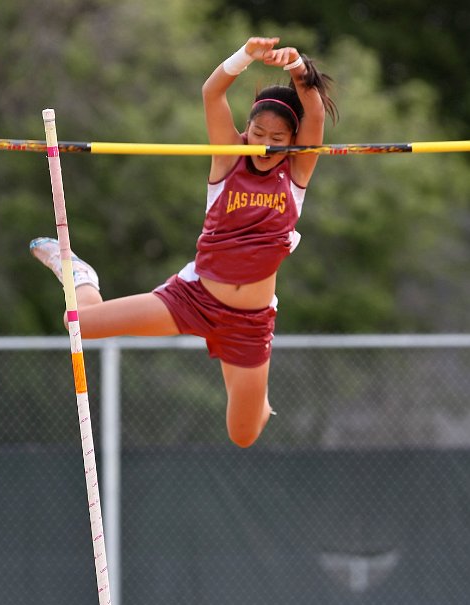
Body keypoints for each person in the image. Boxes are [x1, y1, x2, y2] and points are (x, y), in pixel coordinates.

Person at [30, 36, 337, 448]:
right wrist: (246, 55)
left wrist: (298, 65)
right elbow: (212, 91)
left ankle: (255, 396)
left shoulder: (297, 174)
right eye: (256, 131)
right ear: (245, 129)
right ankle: (82, 275)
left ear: (293, 143)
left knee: (243, 435)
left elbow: (314, 110)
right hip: (193, 298)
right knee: (81, 326)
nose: (263, 142)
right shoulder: (229, 156)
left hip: (248, 323)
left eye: (276, 138)